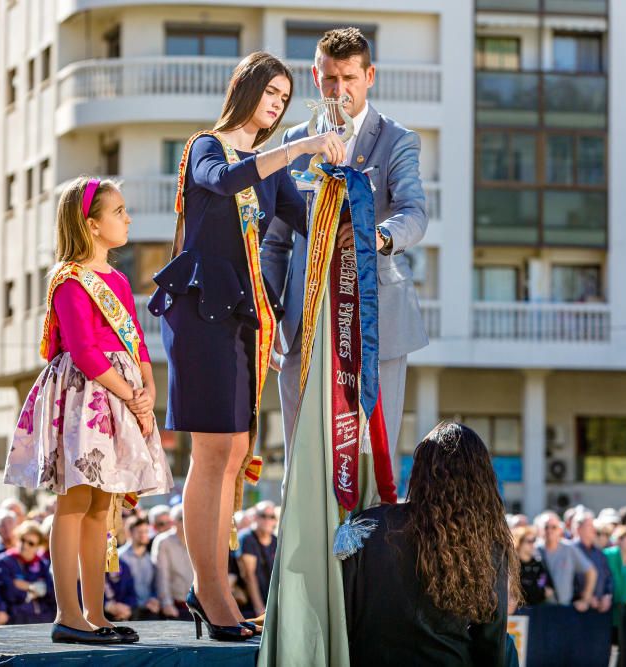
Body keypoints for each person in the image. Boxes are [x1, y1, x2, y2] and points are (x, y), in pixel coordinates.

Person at [146, 50, 330, 641]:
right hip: (200, 311)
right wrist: (300, 148)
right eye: (269, 92)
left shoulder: (271, 168)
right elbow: (224, 181)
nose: (276, 104)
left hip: (246, 320)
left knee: (233, 455)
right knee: (212, 453)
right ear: (245, 89)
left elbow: (310, 224)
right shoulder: (207, 145)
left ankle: (215, 590)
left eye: (283, 97)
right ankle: (210, 592)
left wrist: (363, 216)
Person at [4, 176, 172, 646]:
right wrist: (129, 392)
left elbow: (136, 339)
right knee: (75, 500)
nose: (128, 218)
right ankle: (68, 613)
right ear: (92, 224)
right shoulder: (70, 280)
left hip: (122, 392)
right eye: (118, 211)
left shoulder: (118, 278)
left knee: (103, 504)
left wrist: (148, 387)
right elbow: (84, 351)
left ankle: (95, 614)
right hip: (86, 395)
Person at [262, 27, 429, 486]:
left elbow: (415, 212)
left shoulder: (397, 140)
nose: (340, 90)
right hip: (304, 324)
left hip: (380, 322)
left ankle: (369, 558)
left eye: (349, 78)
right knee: (303, 462)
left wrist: (375, 238)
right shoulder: (292, 143)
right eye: (330, 79)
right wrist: (271, 311)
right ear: (316, 77)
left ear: (369, 75)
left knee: (374, 462)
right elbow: (274, 242)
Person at [342, 423, 519, 666]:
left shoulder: (367, 526)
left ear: (419, 471)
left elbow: (341, 618)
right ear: (482, 479)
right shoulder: (488, 544)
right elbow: (491, 643)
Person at [0, 520, 55, 622]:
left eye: (31, 543)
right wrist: (35, 590)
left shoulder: (43, 564)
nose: (25, 545)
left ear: (38, 546)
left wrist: (28, 587)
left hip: (42, 619)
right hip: (15, 620)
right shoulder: (2, 562)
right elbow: (9, 592)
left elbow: (51, 591)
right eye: (22, 540)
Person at [535, 511, 598, 609]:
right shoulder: (534, 550)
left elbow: (591, 571)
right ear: (540, 530)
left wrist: (586, 599)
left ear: (560, 530)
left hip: (564, 607)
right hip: (540, 607)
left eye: (554, 527)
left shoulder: (569, 549)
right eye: (546, 527)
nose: (549, 530)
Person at [235, 500, 277, 617]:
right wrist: (260, 609)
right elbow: (249, 575)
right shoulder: (246, 538)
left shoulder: (276, 541)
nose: (267, 520)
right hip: (249, 606)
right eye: (263, 515)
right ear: (255, 517)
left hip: (269, 602)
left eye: (272, 516)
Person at [152, 504, 193, 622]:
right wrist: (167, 603)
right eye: (182, 518)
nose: (186, 521)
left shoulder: (198, 540)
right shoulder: (163, 541)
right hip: (175, 605)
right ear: (173, 522)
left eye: (189, 517)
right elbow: (162, 576)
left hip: (197, 605)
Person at [568, 508, 613, 613]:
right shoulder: (569, 551)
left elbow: (608, 577)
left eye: (593, 526)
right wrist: (585, 597)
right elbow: (568, 579)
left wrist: (607, 596)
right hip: (576, 609)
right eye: (589, 526)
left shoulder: (599, 553)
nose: (593, 529)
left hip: (599, 610)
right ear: (578, 529)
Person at [118, 516, 162, 619]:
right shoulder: (119, 557)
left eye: (146, 531)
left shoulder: (150, 558)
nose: (144, 535)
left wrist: (154, 598)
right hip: (127, 612)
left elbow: (154, 585)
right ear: (130, 533)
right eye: (140, 532)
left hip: (149, 610)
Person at [513, 526, 554, 606]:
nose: (533, 544)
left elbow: (548, 588)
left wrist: (539, 590)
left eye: (534, 540)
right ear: (519, 543)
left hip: (537, 610)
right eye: (529, 541)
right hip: (518, 611)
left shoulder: (538, 563)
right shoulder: (511, 565)